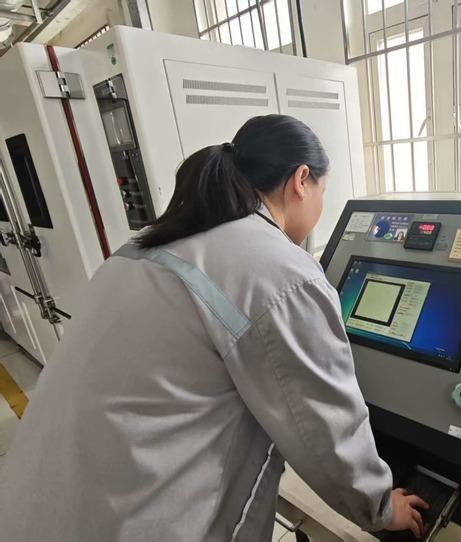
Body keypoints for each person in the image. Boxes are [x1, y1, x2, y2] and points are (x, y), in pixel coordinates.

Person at [0, 115, 428, 541]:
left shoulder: (143, 247)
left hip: (35, 504)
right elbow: (323, 429)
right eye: (323, 189)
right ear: (302, 180)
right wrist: (379, 506)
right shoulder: (279, 271)